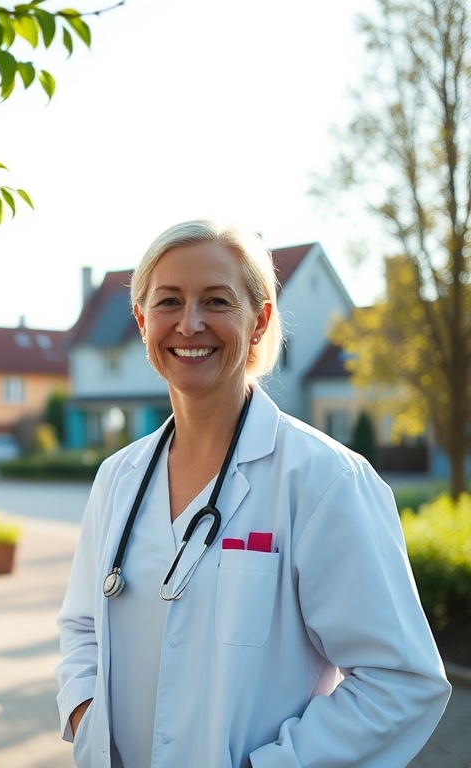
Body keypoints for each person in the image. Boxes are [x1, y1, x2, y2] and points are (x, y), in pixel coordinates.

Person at [56, 220, 451, 768]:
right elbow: (82, 626)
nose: (190, 323)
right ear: (142, 321)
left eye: (216, 301)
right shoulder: (117, 478)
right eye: (169, 301)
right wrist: (85, 718)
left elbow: (401, 682)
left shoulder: (325, 480)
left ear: (259, 320)